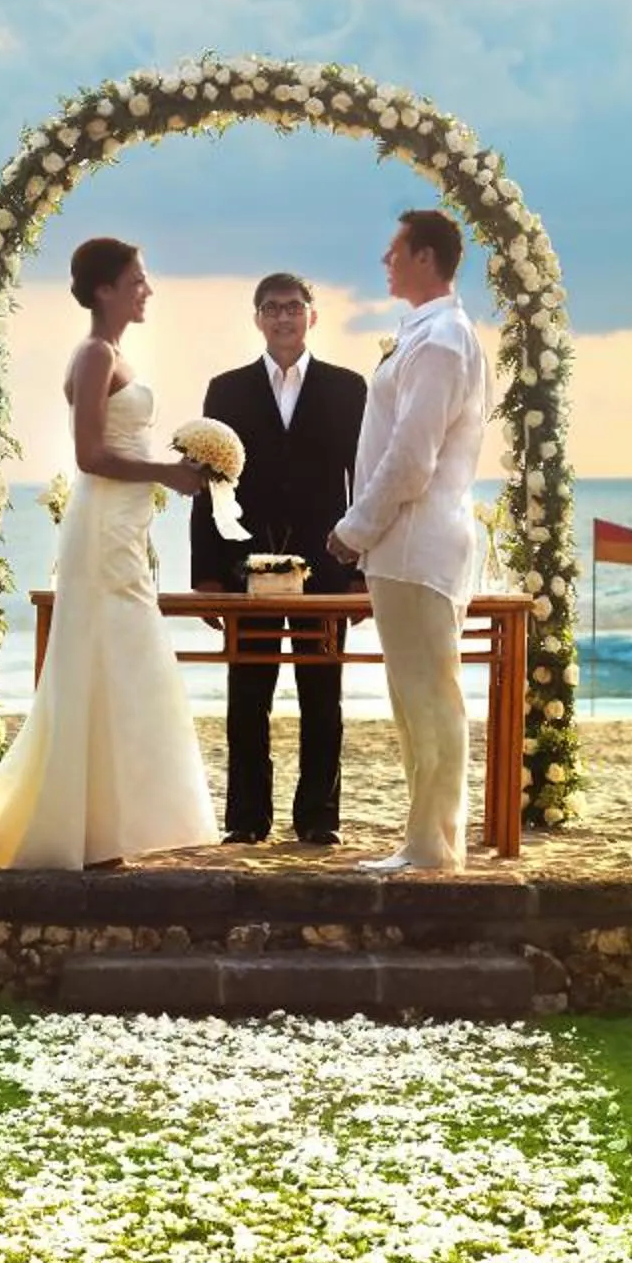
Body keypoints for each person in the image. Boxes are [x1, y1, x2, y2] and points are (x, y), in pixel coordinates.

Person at [0, 237, 216, 872]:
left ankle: (107, 828)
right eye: (137, 279)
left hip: (123, 529)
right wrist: (167, 471)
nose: (148, 289)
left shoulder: (113, 355)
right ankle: (86, 830)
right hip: (103, 527)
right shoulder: (93, 356)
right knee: (105, 662)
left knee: (123, 667)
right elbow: (87, 456)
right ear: (105, 288)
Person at [326, 210, 493, 874]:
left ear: (425, 257)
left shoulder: (442, 341)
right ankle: (425, 840)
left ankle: (432, 847)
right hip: (404, 548)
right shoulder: (429, 332)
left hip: (415, 545)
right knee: (413, 698)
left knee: (430, 699)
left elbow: (411, 458)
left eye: (394, 249)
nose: (384, 259)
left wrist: (353, 528)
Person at [191, 272, 368, 847]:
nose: (284, 317)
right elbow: (209, 481)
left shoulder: (349, 389)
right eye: (272, 308)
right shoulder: (228, 390)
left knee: (323, 695)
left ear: (313, 315)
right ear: (257, 318)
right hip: (247, 567)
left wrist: (362, 574)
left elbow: (364, 483)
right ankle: (246, 819)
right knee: (248, 694)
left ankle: (319, 817)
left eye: (294, 307)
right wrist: (208, 575)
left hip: (328, 566)